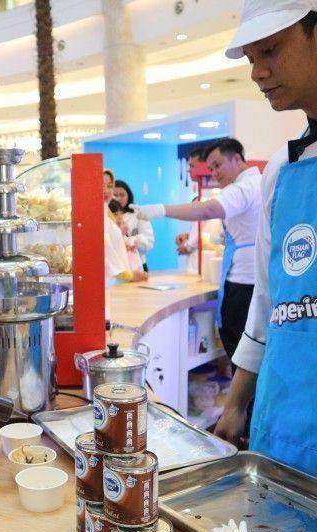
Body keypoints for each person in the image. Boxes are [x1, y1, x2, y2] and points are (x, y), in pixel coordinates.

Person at [214, 2, 317, 475]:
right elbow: (270, 300)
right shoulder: (282, 170)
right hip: (285, 419)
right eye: (251, 57)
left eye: (271, 50)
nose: (257, 72)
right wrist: (237, 400)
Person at [135, 138, 262, 363]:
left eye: (217, 165)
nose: (213, 173)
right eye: (210, 168)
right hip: (251, 278)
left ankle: (244, 399)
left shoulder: (243, 187)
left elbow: (208, 210)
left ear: (237, 158)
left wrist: (161, 209)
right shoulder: (258, 183)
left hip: (244, 283)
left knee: (240, 352)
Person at [112, 179, 155, 271]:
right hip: (116, 267)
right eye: (115, 195)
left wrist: (135, 241)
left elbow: (149, 241)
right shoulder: (105, 215)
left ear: (128, 196)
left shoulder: (138, 214)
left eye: (122, 195)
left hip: (137, 264)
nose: (118, 198)